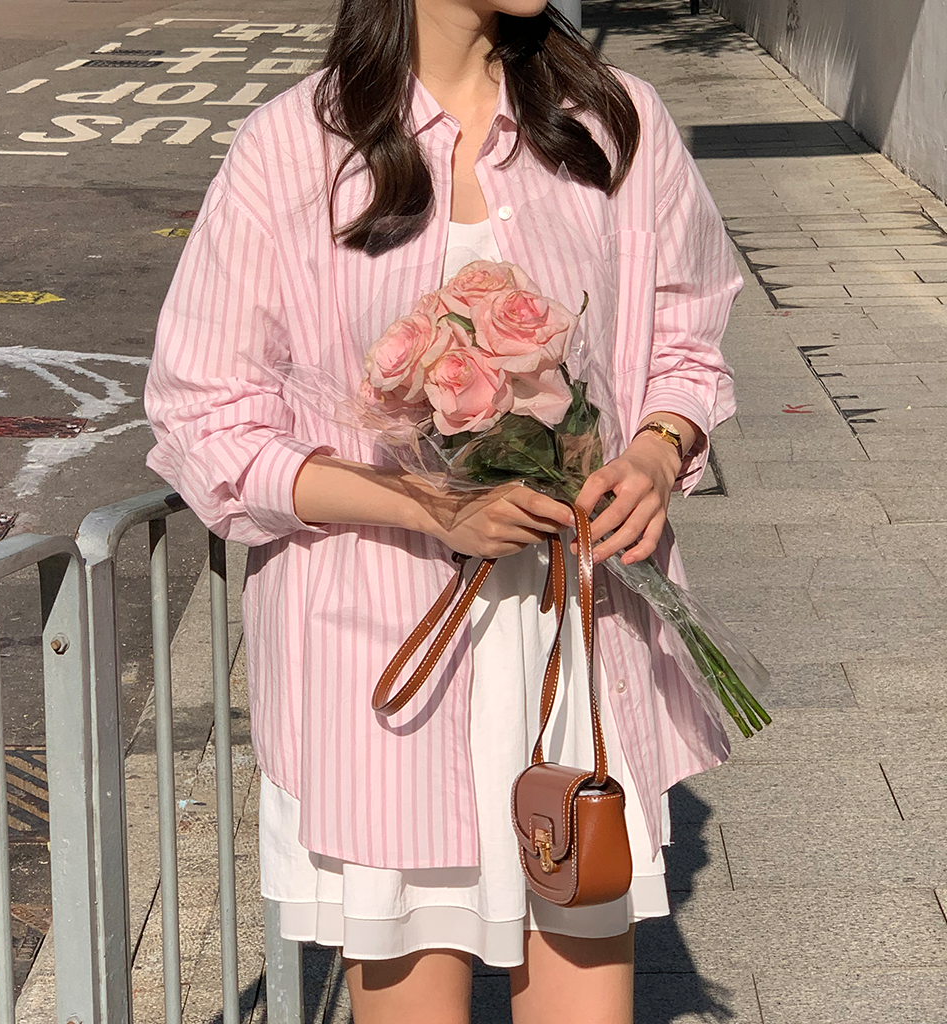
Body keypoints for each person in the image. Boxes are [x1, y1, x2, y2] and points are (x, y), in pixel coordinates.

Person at [144, 0, 740, 1020]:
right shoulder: (295, 149)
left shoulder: (614, 125)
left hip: (572, 635)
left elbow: (686, 337)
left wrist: (656, 449)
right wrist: (426, 503)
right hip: (384, 648)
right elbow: (208, 418)